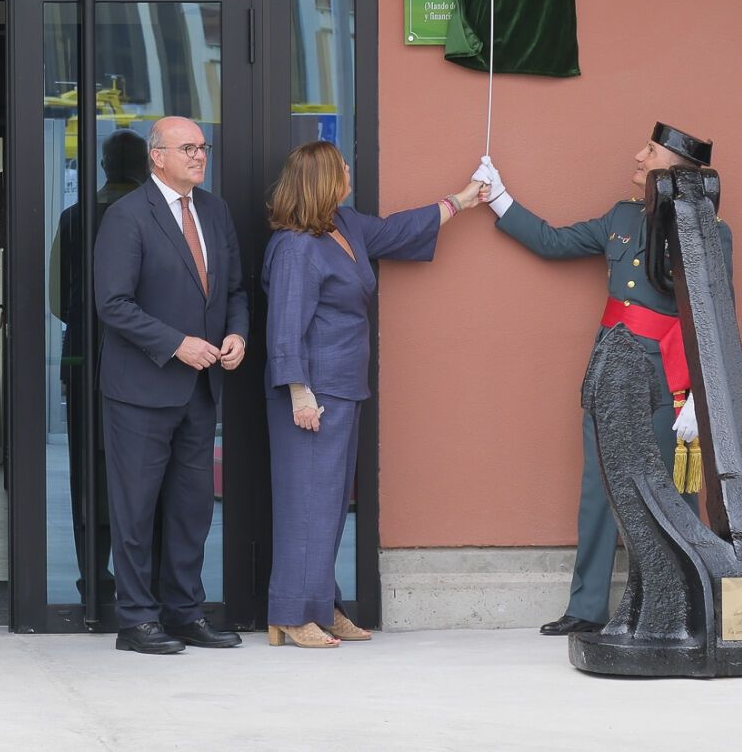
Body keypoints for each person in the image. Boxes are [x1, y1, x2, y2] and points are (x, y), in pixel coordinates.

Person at [471, 122, 730, 637]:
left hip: (667, 373)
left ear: (676, 168)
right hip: (612, 368)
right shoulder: (620, 217)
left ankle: (677, 601)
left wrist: (703, 399)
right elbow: (552, 241)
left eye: (649, 151)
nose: (637, 156)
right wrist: (498, 197)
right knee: (598, 489)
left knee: (673, 491)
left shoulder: (710, 232)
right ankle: (587, 606)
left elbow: (716, 318)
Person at [262, 141, 484, 648]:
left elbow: (397, 229)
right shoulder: (297, 245)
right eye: (340, 168)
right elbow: (284, 328)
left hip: (343, 389)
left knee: (331, 502)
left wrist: (462, 200)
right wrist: (299, 393)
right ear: (320, 180)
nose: (347, 172)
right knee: (306, 502)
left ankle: (321, 604)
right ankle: (291, 615)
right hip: (312, 393)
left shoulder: (344, 225)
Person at [92, 116, 249, 654]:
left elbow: (234, 289)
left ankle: (185, 612)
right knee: (134, 510)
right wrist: (176, 343)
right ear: (157, 156)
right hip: (140, 389)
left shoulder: (214, 209)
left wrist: (236, 333)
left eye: (202, 147)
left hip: (201, 391)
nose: (199, 156)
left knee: (191, 509)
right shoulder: (127, 215)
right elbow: (112, 304)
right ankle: (136, 620)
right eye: (187, 148)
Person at [49, 128, 149, 614]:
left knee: (86, 470)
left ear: (106, 166)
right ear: (147, 166)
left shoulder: (73, 218)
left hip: (82, 356)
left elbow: (54, 300)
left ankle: (94, 574)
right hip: (149, 362)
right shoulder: (156, 218)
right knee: (143, 471)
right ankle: (147, 582)